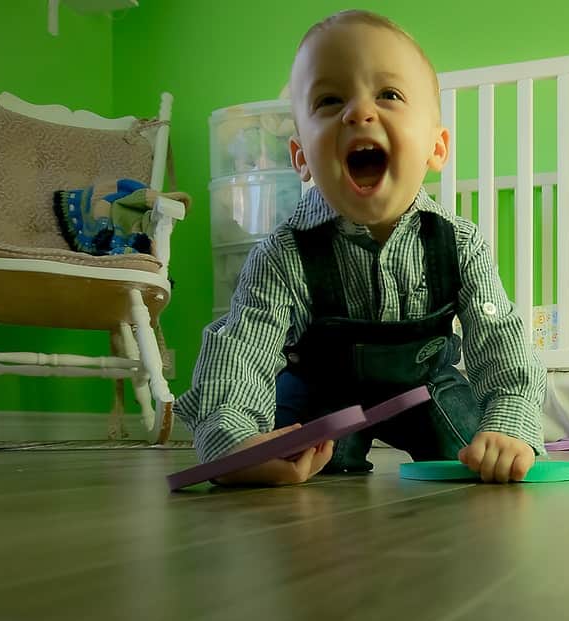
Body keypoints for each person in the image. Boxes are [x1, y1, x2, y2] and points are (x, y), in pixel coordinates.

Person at [176, 9, 546, 485]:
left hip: (426, 388)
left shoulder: (461, 242)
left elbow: (501, 343)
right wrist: (233, 438)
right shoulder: (283, 253)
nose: (358, 112)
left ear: (436, 148)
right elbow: (242, 349)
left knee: (477, 456)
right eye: (330, 100)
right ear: (301, 157)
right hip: (323, 396)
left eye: (388, 94)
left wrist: (508, 423)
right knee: (289, 458)